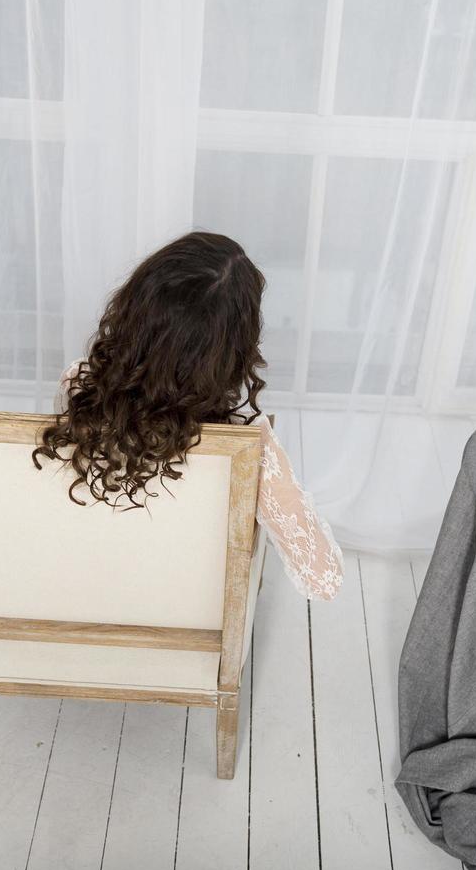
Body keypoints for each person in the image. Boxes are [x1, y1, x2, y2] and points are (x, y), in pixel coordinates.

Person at [36, 231, 343, 601]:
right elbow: (325, 580)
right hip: (184, 613)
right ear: (232, 350)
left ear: (135, 309)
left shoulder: (76, 385)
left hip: (85, 596)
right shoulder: (247, 445)